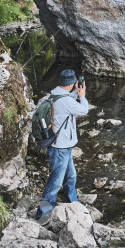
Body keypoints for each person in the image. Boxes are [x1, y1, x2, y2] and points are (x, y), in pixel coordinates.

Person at [35, 69, 88, 223]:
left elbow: (66, 101)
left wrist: (75, 93)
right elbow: (84, 110)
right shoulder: (66, 101)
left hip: (63, 145)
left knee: (71, 175)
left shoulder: (55, 94)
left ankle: (72, 201)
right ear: (71, 84)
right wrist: (82, 96)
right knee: (55, 182)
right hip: (60, 148)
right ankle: (42, 215)